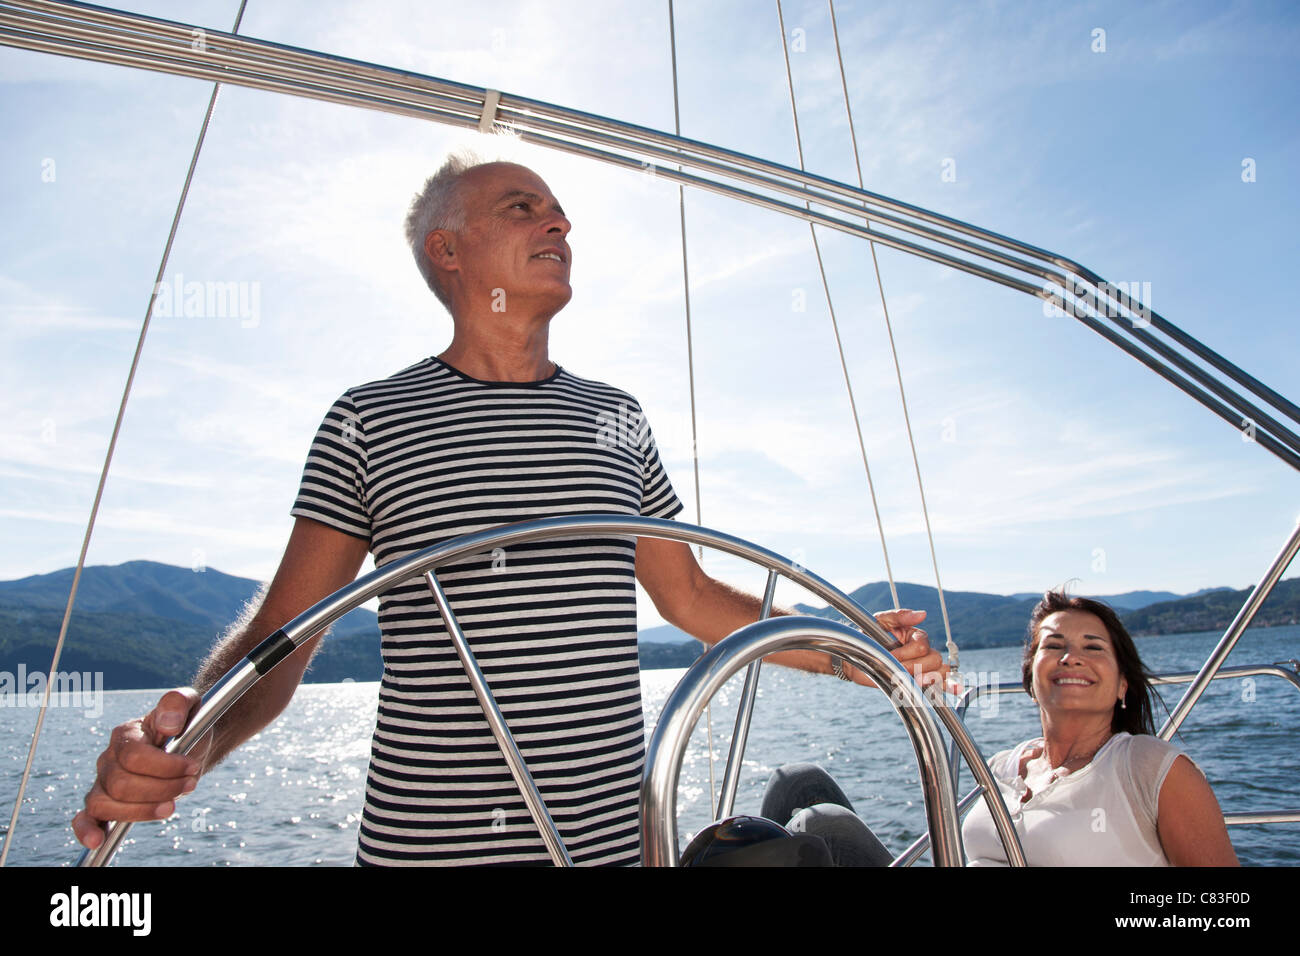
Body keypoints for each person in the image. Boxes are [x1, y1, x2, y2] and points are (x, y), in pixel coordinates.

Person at [72, 152, 946, 865]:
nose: (559, 224)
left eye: (560, 213)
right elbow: (284, 636)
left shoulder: (616, 415)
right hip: (425, 852)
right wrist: (190, 734)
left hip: (612, 845)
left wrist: (854, 652)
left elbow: (691, 600)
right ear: (448, 252)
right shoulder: (369, 418)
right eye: (524, 208)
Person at [752, 589, 1239, 866]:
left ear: (1122, 686)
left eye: (1094, 647)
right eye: (1054, 645)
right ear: (1030, 675)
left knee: (819, 827)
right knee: (793, 781)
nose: (1072, 656)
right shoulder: (1004, 766)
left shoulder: (1149, 766)